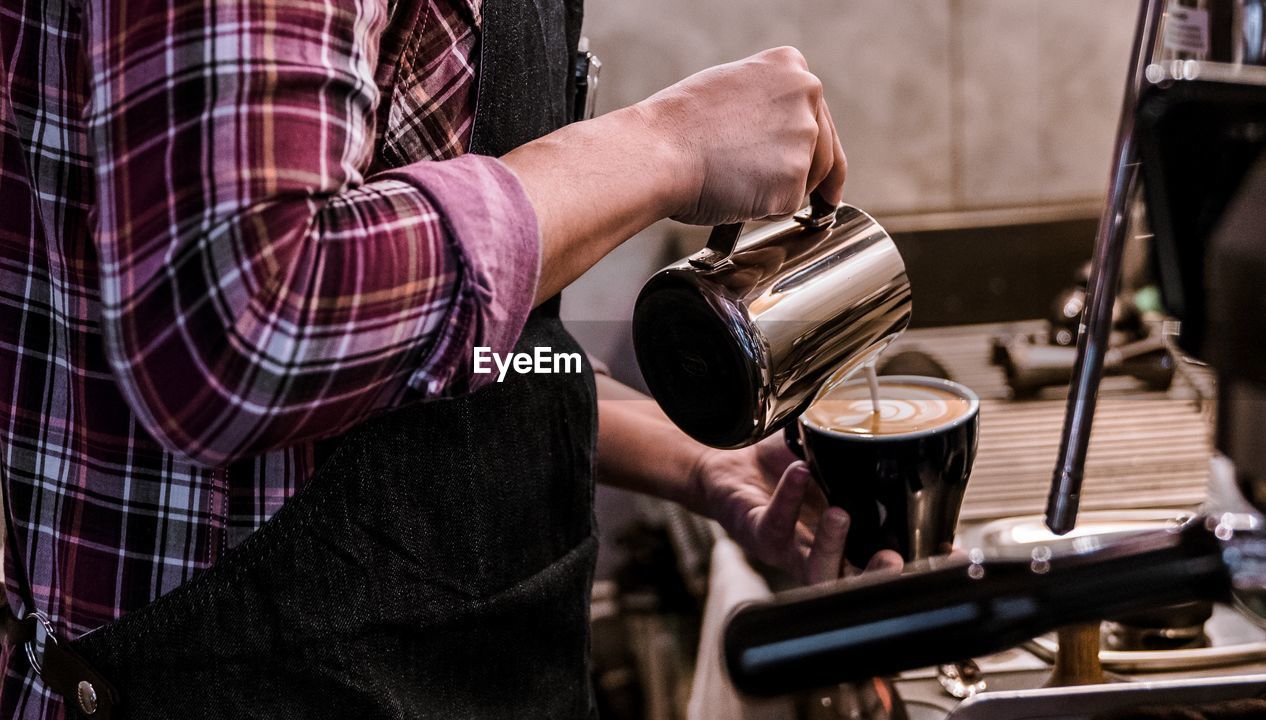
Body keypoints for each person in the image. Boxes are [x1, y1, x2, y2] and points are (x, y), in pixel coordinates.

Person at [0, 0, 898, 716]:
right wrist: (664, 146)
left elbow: (465, 350)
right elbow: (246, 320)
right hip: (224, 676)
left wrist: (702, 461)